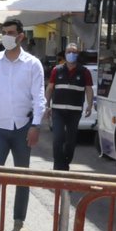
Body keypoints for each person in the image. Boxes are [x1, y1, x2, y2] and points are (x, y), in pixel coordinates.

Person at [0, 18, 46, 231]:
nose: (6, 36)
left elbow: (39, 96)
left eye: (11, 32)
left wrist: (36, 125)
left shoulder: (33, 63)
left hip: (23, 127)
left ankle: (18, 220)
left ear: (21, 36)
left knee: (21, 176)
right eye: (3, 32)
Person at [44, 42, 94, 171]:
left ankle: (65, 162)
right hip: (58, 111)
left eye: (74, 52)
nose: (71, 54)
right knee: (58, 139)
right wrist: (46, 105)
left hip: (75, 111)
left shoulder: (84, 72)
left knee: (71, 142)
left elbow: (89, 89)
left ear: (77, 55)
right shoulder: (57, 70)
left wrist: (89, 105)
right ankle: (58, 167)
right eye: (68, 52)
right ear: (65, 54)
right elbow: (50, 88)